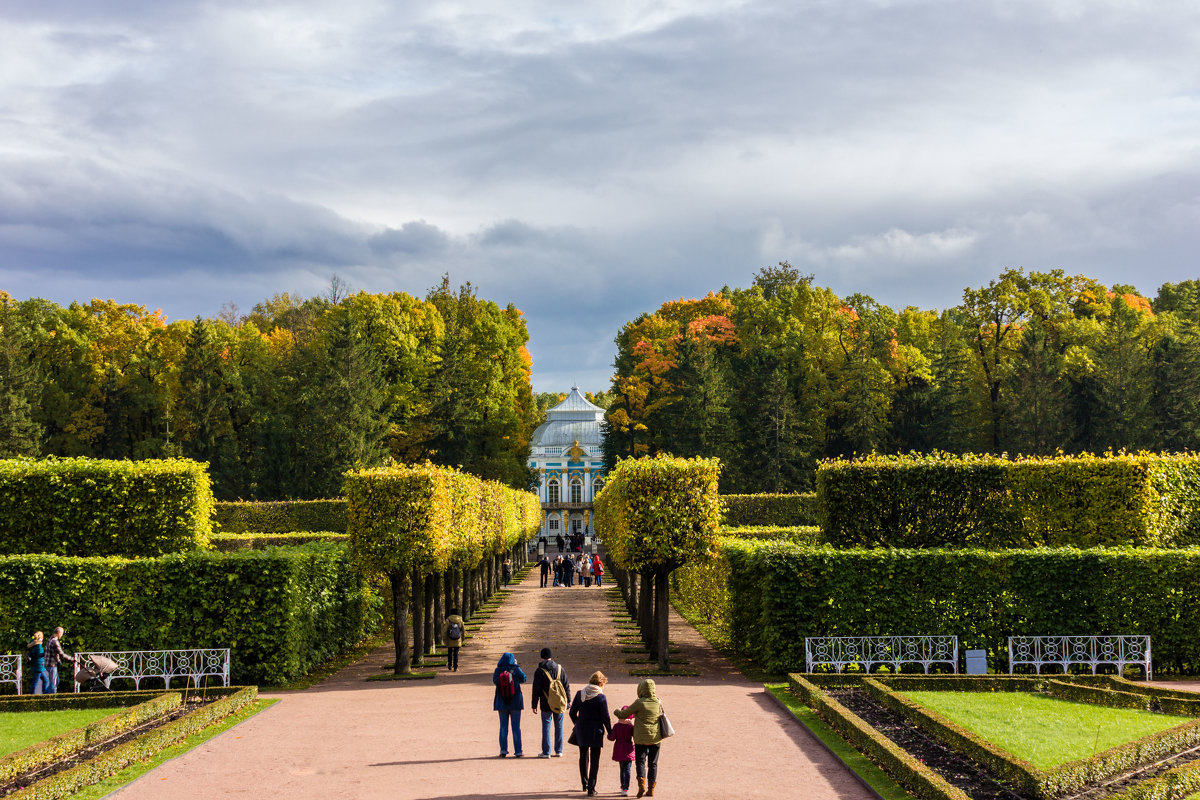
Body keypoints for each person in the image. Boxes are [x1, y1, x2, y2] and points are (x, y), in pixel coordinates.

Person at [614, 679, 664, 797]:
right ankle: (651, 789)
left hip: (640, 738)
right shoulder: (658, 702)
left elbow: (623, 714)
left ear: (641, 689)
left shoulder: (639, 703)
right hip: (655, 737)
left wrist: (616, 710)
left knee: (640, 762)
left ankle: (641, 784)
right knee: (653, 763)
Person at [569, 671, 612, 796]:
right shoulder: (601, 697)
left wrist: (577, 724)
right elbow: (605, 717)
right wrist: (610, 732)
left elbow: (572, 713)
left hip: (581, 729)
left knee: (583, 757)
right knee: (595, 760)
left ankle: (584, 782)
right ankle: (591, 789)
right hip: (595, 731)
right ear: (600, 683)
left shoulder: (580, 694)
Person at [531, 647, 570, 758]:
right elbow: (566, 685)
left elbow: (536, 690)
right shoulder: (560, 668)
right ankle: (559, 750)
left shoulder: (539, 671)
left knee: (546, 727)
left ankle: (546, 752)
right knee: (559, 726)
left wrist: (534, 705)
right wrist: (569, 700)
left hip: (545, 702)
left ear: (541, 657)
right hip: (560, 702)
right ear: (551, 656)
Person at [492, 652, 527, 757]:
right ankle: (518, 751)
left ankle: (503, 750)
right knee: (516, 727)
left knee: (503, 727)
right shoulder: (515, 669)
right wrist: (516, 665)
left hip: (501, 702)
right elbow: (524, 679)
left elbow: (495, 681)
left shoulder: (498, 670)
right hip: (515, 702)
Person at [608, 705, 636, 796]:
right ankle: (625, 788)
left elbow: (612, 738)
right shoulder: (631, 726)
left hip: (619, 749)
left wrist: (608, 734)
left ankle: (622, 785)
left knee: (622, 769)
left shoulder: (617, 726)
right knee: (627, 769)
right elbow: (635, 736)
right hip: (628, 749)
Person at [45, 626, 76, 694]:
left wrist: (58, 660)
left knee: (55, 681)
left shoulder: (49, 639)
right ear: (59, 633)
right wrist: (72, 659)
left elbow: (54, 654)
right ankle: (52, 699)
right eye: (62, 633)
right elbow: (61, 654)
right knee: (53, 683)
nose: (62, 635)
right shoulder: (55, 641)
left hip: (47, 664)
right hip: (52, 665)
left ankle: (46, 695)